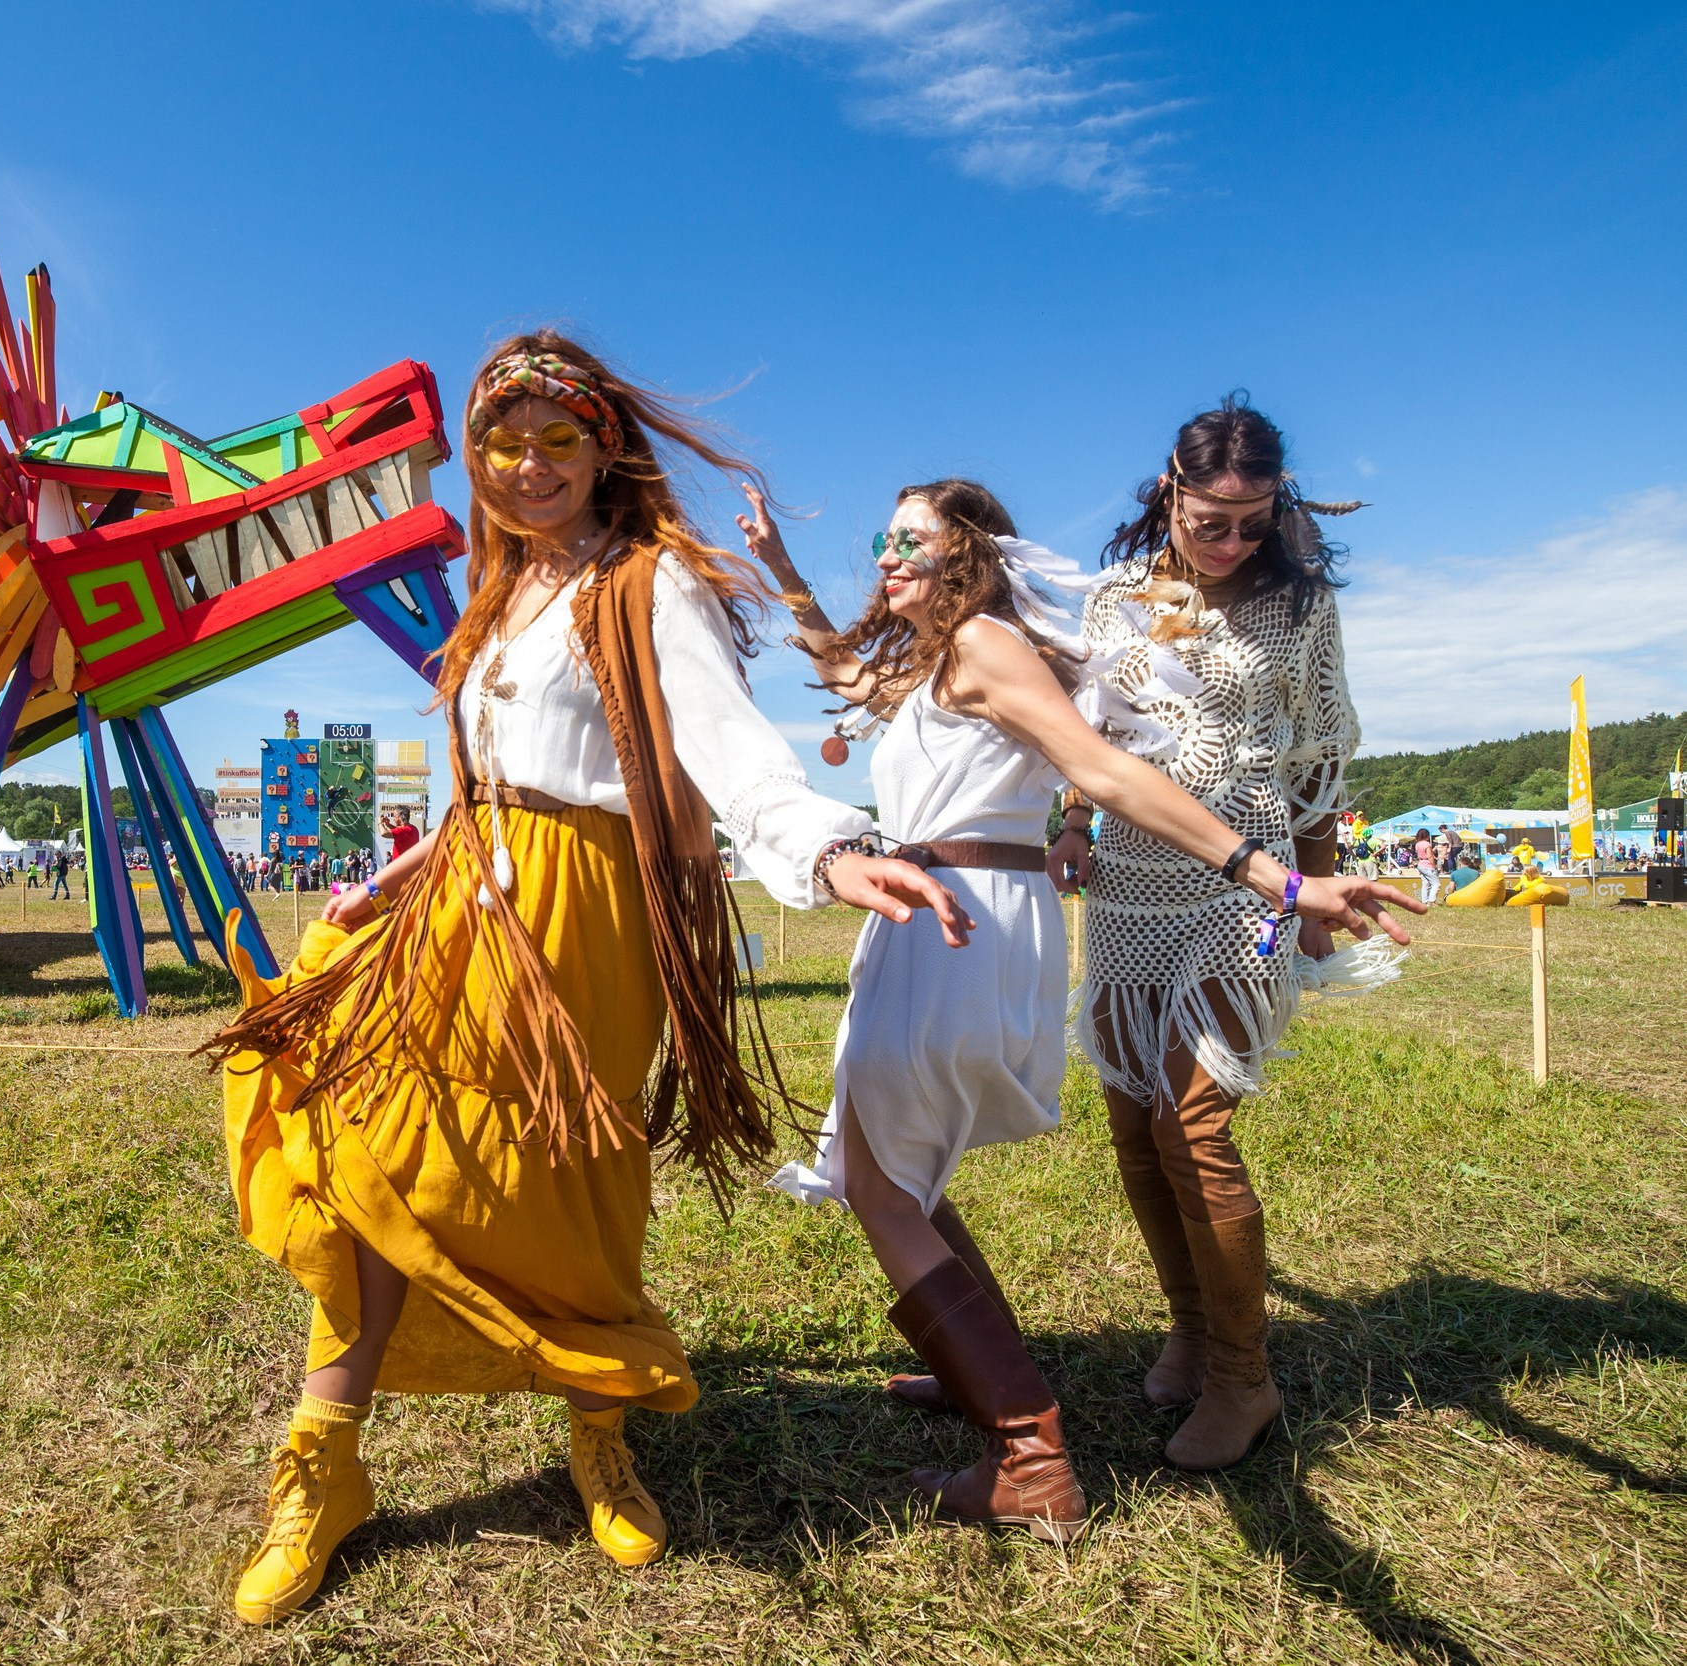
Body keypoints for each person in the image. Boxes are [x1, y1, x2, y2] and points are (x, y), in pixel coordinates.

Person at [206, 333, 967, 1625]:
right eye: (506, 441)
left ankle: (599, 1428)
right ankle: (323, 1464)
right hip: (461, 912)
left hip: (591, 923)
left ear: (604, 446)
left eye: (559, 437)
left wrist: (831, 847)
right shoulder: (495, 600)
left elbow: (734, 752)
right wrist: (395, 879)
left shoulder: (649, 581)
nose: (531, 463)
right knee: (380, 1155)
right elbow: (482, 787)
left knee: (582, 1185)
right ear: (479, 458)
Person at [752, 477, 1414, 1541]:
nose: (884, 555)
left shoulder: (986, 648)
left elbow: (1102, 770)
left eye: (908, 540)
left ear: (969, 554)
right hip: (942, 915)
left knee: (878, 1182)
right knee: (894, 1171)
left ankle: (1025, 1446)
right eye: (881, 538)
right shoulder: (936, 658)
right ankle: (980, 1375)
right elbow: (839, 665)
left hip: (958, 922)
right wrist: (781, 567)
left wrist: (1280, 881)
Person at [1050, 396, 1393, 1472]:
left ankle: (1246, 1378)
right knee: (1131, 1119)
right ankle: (1191, 1328)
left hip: (1249, 886)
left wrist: (1315, 901)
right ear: (1170, 487)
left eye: (1254, 519)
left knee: (1192, 1123)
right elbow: (1084, 735)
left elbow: (1317, 765)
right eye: (1214, 518)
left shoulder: (1297, 611)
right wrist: (1068, 822)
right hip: (1128, 881)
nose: (1234, 540)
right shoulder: (1110, 599)